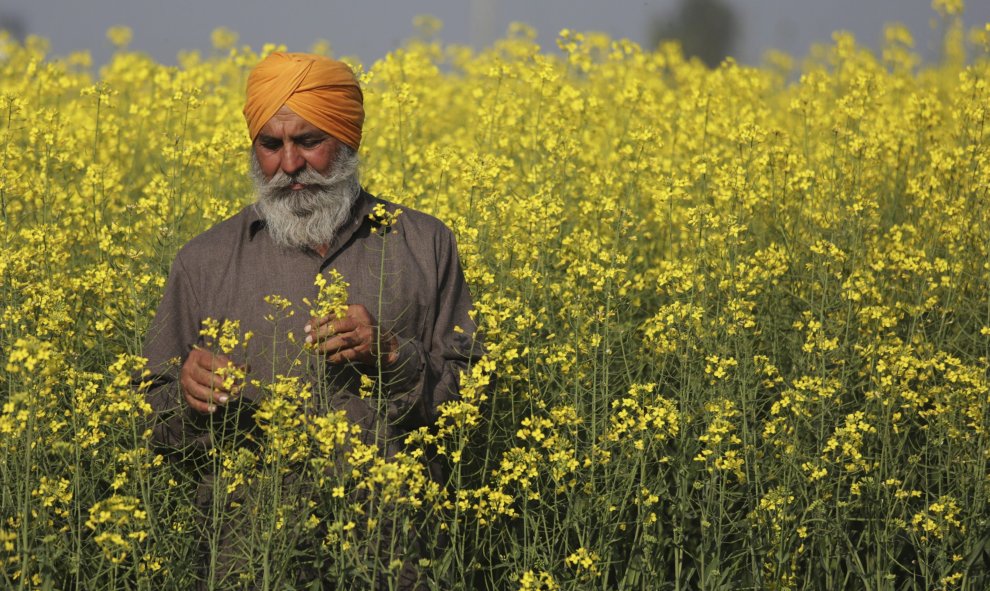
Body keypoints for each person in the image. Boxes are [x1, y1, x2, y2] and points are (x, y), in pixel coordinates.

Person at [141, 52, 480, 588]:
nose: (290, 165)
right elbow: (149, 422)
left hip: (395, 559)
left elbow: (473, 400)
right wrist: (185, 395)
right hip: (254, 561)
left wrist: (393, 354)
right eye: (271, 146)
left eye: (309, 141)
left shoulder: (425, 244)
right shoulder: (203, 261)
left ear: (347, 141)